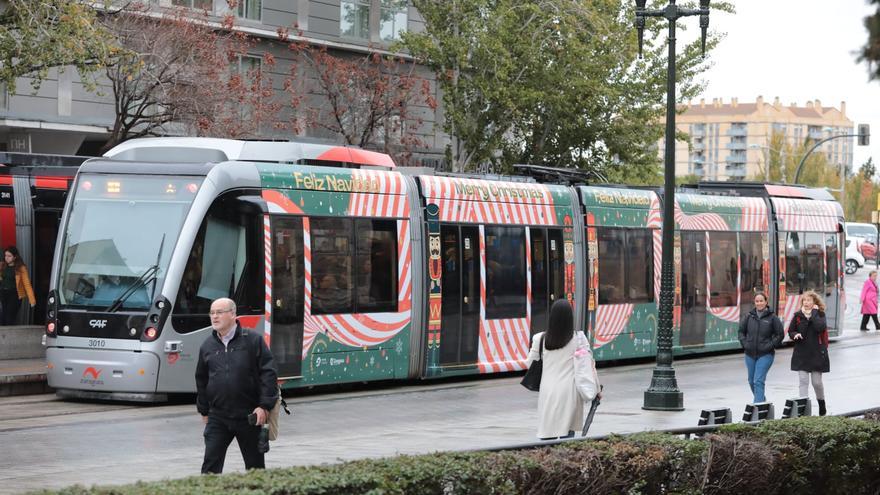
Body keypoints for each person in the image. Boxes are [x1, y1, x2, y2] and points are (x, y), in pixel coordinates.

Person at [195, 298, 278, 474]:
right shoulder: (207, 346)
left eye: (219, 312)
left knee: (255, 469)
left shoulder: (252, 340)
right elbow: (201, 379)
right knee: (210, 468)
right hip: (218, 417)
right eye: (212, 313)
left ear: (233, 314)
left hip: (249, 415)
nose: (214, 317)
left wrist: (264, 406)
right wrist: (204, 410)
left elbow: (268, 374)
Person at [526, 299, 600, 440]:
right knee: (567, 434)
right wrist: (597, 389)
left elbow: (530, 363)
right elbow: (588, 365)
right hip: (570, 391)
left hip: (548, 390)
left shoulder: (539, 339)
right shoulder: (579, 338)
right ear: (570, 318)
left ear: (551, 316)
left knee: (547, 432)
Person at [788, 290, 830, 416]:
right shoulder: (798, 316)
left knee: (817, 383)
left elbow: (819, 327)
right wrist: (795, 334)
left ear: (814, 303)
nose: (806, 303)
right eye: (804, 300)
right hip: (802, 353)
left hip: (817, 353)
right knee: (803, 381)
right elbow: (791, 331)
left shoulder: (820, 314)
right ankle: (803, 409)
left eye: (809, 300)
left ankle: (821, 404)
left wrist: (814, 314)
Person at [737, 292, 784, 403]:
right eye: (757, 301)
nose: (759, 303)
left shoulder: (772, 318)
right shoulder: (749, 316)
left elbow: (780, 334)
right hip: (750, 354)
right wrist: (745, 344)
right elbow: (741, 332)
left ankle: (757, 408)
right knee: (751, 381)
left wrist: (770, 345)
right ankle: (761, 400)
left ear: (766, 302)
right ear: (754, 302)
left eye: (761, 301)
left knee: (758, 381)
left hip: (766, 354)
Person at [0, 246, 35, 325]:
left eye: (9, 256)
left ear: (15, 257)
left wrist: (32, 300)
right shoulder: (3, 265)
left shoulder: (20, 268)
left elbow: (27, 284)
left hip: (14, 295)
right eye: (5, 255)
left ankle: (10, 335)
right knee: (3, 316)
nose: (7, 258)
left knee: (9, 317)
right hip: (3, 293)